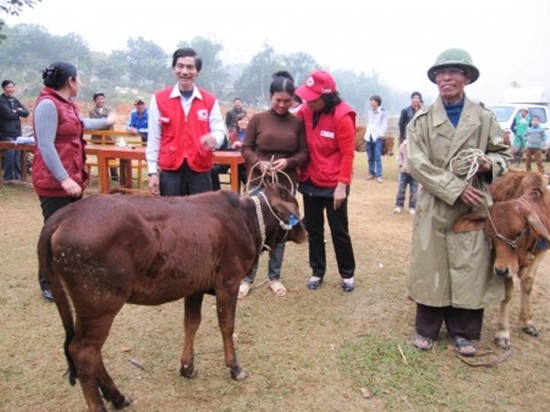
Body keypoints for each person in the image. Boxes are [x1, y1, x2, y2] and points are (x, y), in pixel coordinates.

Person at [407, 48, 511, 356]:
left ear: (466, 77)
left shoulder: (483, 117)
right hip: (436, 206)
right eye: (441, 73)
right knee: (431, 263)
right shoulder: (422, 120)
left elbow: (502, 153)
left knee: (471, 266)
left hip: (474, 206)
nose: (446, 78)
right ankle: (426, 329)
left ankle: (464, 333)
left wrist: (488, 165)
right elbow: (417, 163)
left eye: (453, 72)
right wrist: (454, 188)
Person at [32, 61, 117, 301]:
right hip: (54, 182)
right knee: (52, 230)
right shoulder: (48, 104)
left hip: (72, 178)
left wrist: (107, 121)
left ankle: (70, 275)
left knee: (71, 231)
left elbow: (83, 124)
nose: (81, 82)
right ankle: (48, 281)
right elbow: (46, 146)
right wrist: (63, 178)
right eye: (78, 78)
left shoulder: (67, 105)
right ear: (70, 81)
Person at [238, 71, 308, 298]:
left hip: (285, 185)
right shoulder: (257, 119)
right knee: (253, 230)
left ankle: (274, 277)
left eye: (287, 101)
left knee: (282, 228)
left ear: (294, 100)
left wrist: (288, 161)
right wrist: (258, 163)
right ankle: (247, 277)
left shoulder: (298, 123)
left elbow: (304, 152)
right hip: (259, 182)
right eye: (278, 100)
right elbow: (246, 148)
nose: (282, 105)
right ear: (270, 97)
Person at [294, 70, 357, 292]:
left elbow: (348, 154)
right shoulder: (305, 110)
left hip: (333, 184)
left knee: (339, 230)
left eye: (313, 98)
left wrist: (342, 185)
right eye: (306, 98)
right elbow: (291, 118)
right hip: (310, 178)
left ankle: (347, 274)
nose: (307, 102)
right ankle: (317, 271)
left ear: (327, 97)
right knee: (313, 229)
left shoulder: (342, 116)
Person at [146, 47, 225, 196]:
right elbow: (154, 138)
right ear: (174, 68)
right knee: (171, 215)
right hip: (171, 169)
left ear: (197, 72)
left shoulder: (209, 100)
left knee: (202, 215)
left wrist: (214, 139)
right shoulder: (159, 99)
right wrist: (152, 172)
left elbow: (220, 131)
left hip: (200, 167)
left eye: (190, 67)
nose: (184, 72)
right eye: (180, 66)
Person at [0, 80, 30, 181]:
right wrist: (17, 112)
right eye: (8, 87)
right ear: (4, 88)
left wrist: (16, 110)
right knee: (10, 152)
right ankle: (8, 177)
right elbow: (8, 114)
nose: (11, 89)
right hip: (6, 132)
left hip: (17, 132)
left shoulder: (15, 100)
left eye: (12, 87)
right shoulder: (1, 100)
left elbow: (26, 113)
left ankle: (17, 176)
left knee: (18, 153)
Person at [89, 92, 118, 180]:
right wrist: (105, 121)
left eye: (102, 99)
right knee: (101, 157)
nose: (100, 101)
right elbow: (93, 124)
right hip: (97, 139)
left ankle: (114, 177)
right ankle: (103, 177)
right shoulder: (92, 111)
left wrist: (101, 122)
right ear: (95, 101)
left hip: (109, 138)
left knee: (112, 156)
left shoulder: (110, 110)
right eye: (98, 99)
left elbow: (111, 122)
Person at [364, 94, 388, 183]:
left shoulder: (383, 112)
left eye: (373, 101)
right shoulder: (370, 111)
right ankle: (371, 173)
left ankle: (379, 175)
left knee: (377, 156)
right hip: (369, 135)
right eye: (371, 101)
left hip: (377, 136)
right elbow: (368, 123)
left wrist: (380, 134)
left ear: (377, 102)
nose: (371, 102)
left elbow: (384, 124)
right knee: (370, 156)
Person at [394, 139, 418, 215]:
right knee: (401, 189)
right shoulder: (403, 145)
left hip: (414, 173)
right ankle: (399, 205)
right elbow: (399, 155)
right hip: (404, 172)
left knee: (414, 191)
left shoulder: (418, 146)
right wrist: (400, 164)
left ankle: (412, 207)